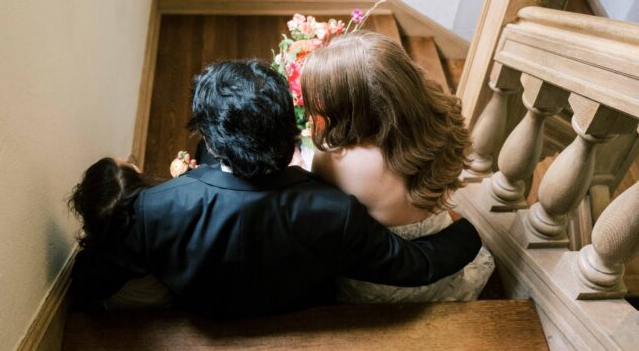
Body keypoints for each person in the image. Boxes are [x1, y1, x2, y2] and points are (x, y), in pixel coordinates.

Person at [69, 59, 484, 317]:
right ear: (292, 137)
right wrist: (469, 232)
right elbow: (415, 265)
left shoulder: (153, 209)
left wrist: (82, 307)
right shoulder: (335, 210)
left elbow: (96, 274)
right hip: (302, 311)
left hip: (207, 314)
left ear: (211, 142)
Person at [300, 31, 494, 303]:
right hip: (439, 261)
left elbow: (319, 214)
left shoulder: (334, 160)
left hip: (381, 277)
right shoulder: (442, 121)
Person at [68, 157, 171, 310]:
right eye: (131, 165)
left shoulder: (89, 267)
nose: (133, 163)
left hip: (114, 315)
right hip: (170, 307)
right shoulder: (166, 235)